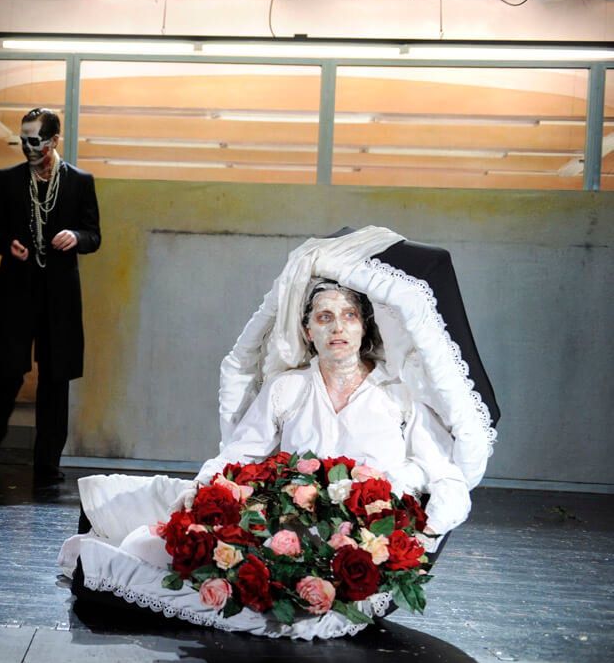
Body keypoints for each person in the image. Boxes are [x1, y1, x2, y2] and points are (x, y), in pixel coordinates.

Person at [60, 227, 496, 638]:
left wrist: (419, 520)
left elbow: (443, 473)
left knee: (303, 607)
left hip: (357, 539)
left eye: (348, 316)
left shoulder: (398, 396)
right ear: (308, 332)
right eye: (325, 317)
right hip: (279, 523)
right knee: (150, 544)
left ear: (365, 328)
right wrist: (203, 486)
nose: (338, 327)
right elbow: (239, 455)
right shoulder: (287, 387)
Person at [0, 108, 101, 484]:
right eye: (23, 140)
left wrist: (76, 237)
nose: (28, 148)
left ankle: (47, 462)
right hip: (17, 290)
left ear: (54, 141)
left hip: (59, 296)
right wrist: (7, 244)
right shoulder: (7, 180)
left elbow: (93, 235)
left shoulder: (79, 182)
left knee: (55, 378)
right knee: (9, 373)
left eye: (35, 141)